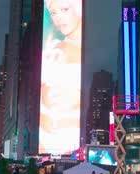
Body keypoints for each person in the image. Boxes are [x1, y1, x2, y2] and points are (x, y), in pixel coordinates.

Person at [39, 0, 82, 153]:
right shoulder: (51, 50)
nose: (59, 18)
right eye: (54, 12)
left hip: (71, 139)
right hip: (48, 136)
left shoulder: (87, 52)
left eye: (64, 9)